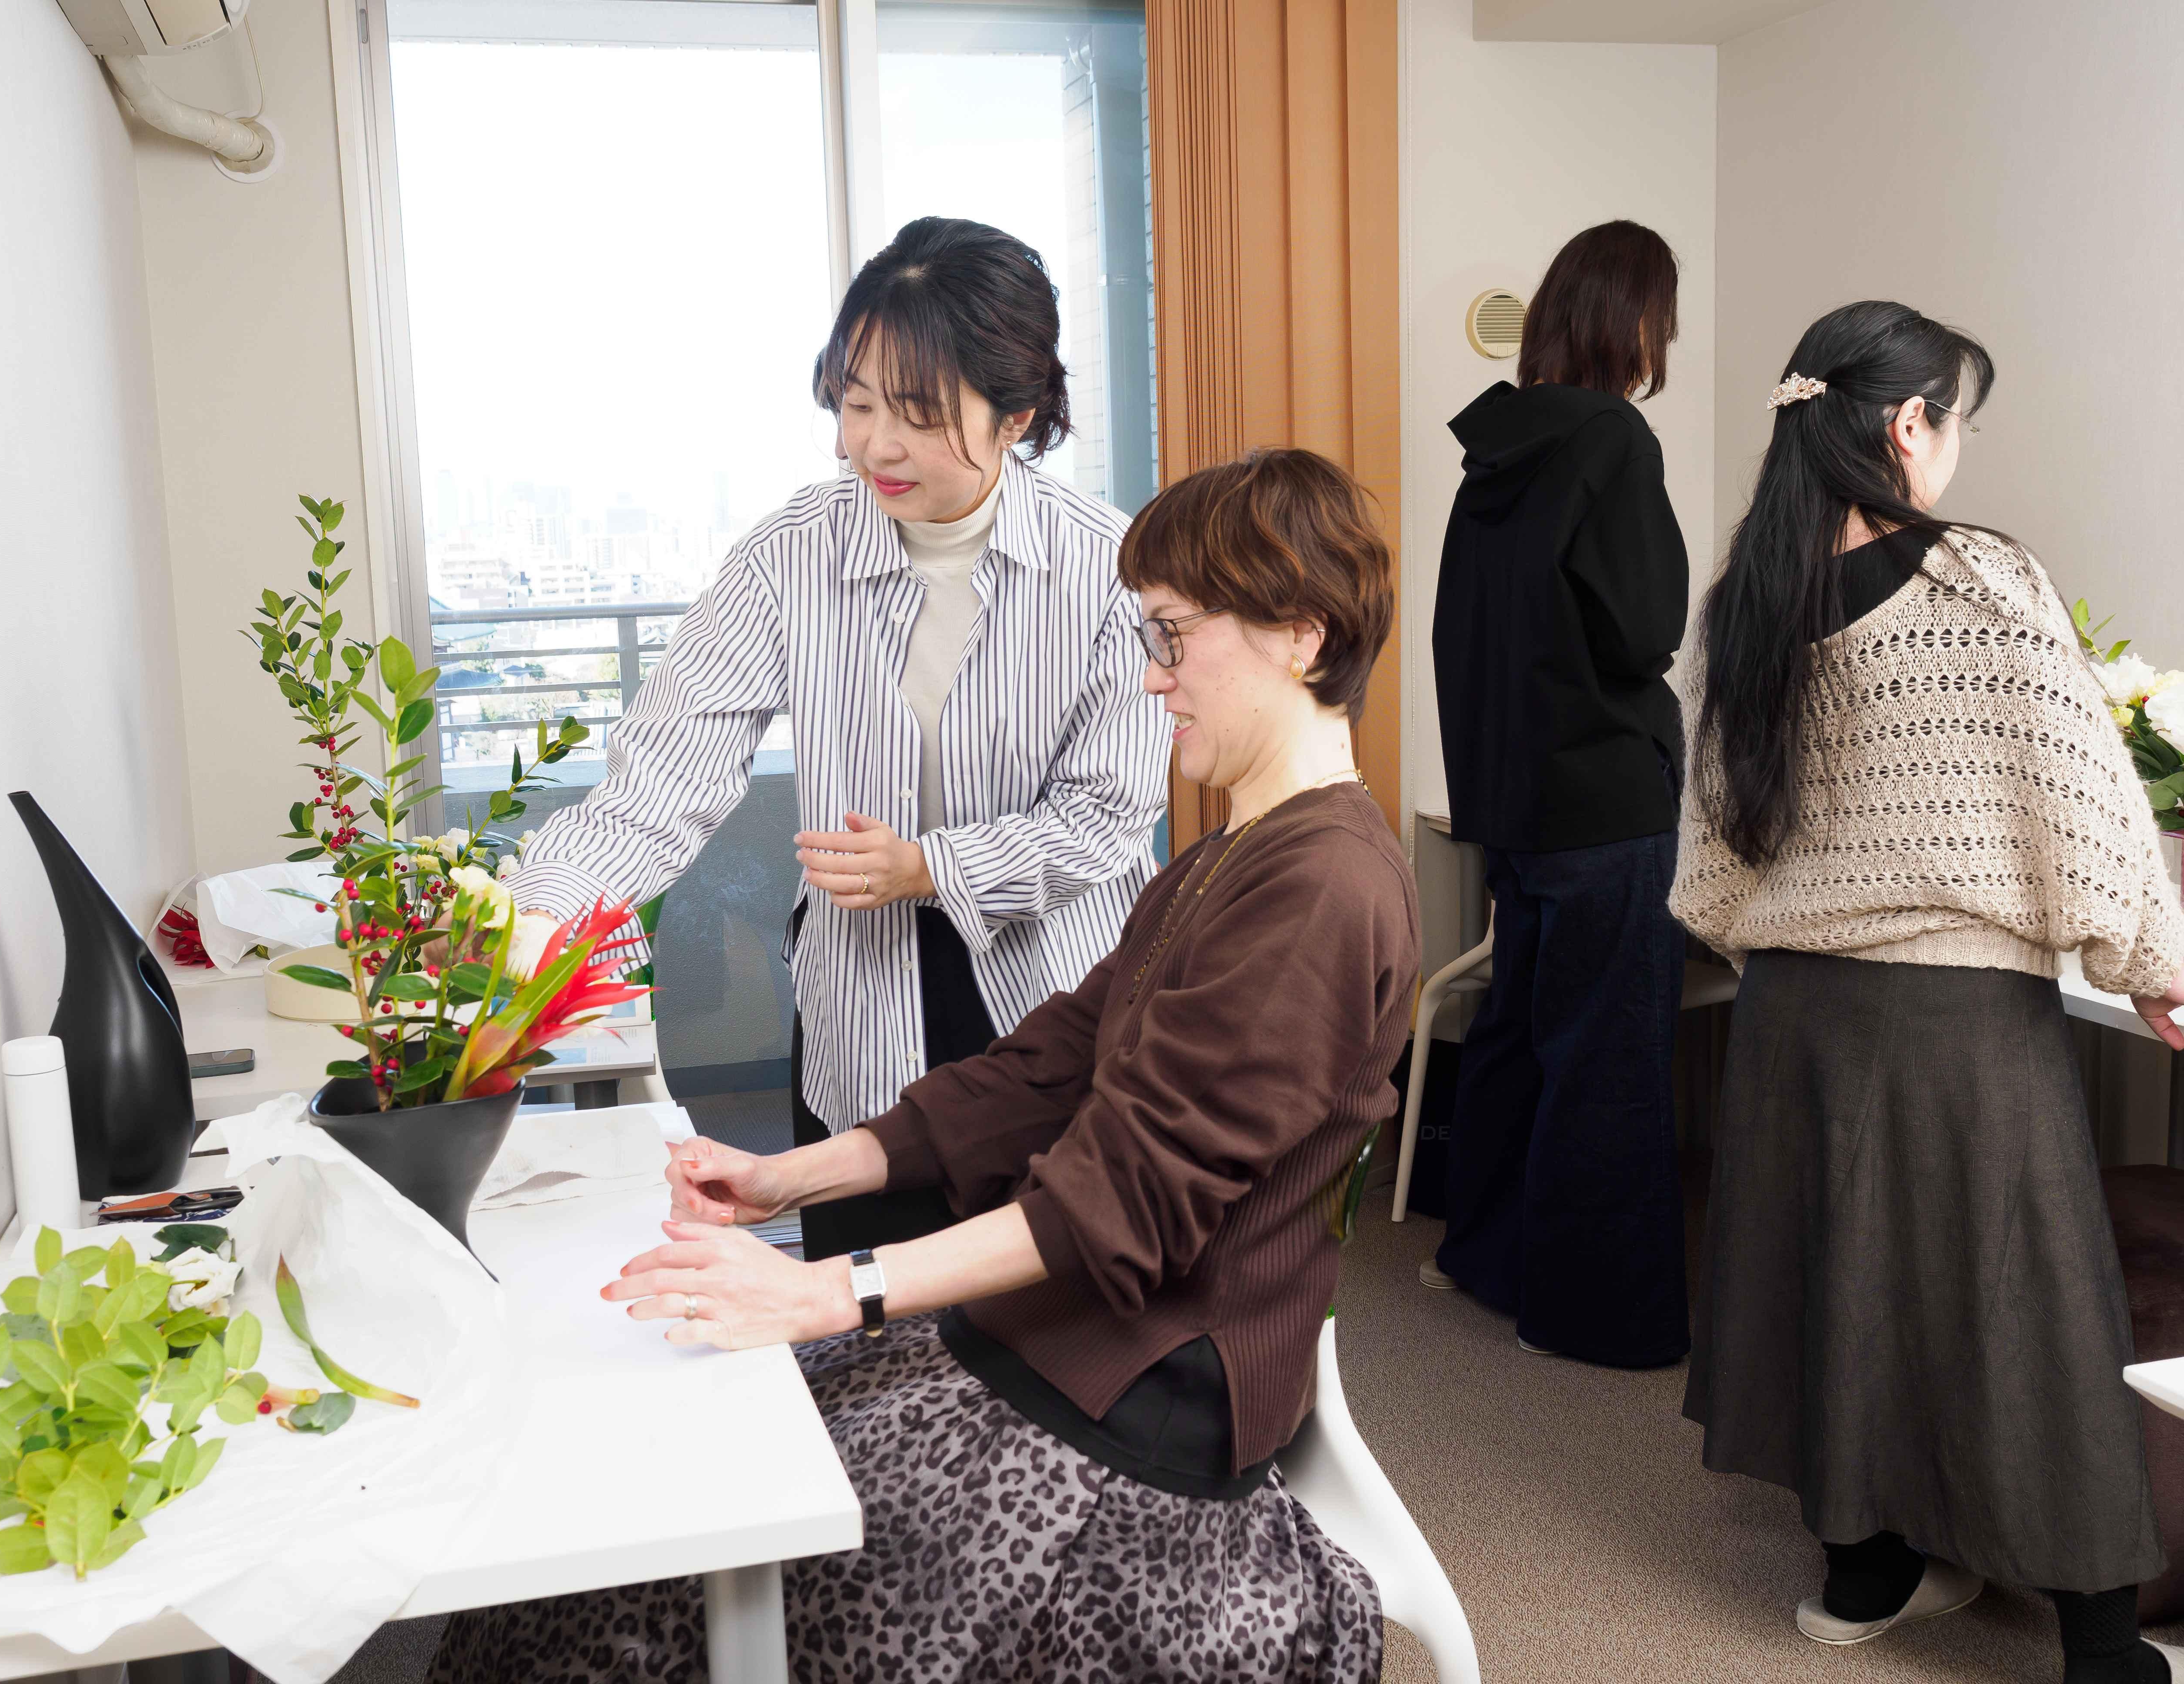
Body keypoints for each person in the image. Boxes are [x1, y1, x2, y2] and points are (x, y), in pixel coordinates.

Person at [424, 448, 1417, 1684]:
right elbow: (1048, 1064)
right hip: (1056, 1346)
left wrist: (832, 1292)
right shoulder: (1237, 856)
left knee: (635, 1589)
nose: (1155, 679)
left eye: (1173, 638)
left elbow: (1122, 1205)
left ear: (1303, 639)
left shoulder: (1320, 888)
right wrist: (799, 1182)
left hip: (1123, 1421)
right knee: (641, 1512)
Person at [1675, 299, 2184, 1684]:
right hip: (1957, 1021)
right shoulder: (1977, 584)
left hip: (1792, 1013)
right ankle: (2101, 1650)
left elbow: (1716, 842)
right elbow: (2082, 799)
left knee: (1841, 1280)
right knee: (2030, 1308)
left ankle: (1865, 1574)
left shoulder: (1745, 603)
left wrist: (1783, 936)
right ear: (1908, 424)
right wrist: (2156, 965)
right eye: (1955, 419)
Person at [505, 217, 1169, 1260]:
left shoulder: (1108, 566)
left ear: (1018, 417)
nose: (877, 445)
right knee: (864, 1311)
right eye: (858, 404)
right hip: (865, 1002)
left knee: (1044, 1313)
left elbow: (1109, 817)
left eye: (919, 413)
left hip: (1057, 997)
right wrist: (540, 918)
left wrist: (928, 867)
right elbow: (665, 776)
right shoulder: (792, 554)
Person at [1426, 219, 1692, 1368]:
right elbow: (1647, 628)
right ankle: (1596, 1315)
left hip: (1514, 805)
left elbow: (1463, 639)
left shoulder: (1495, 455)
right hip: (1603, 799)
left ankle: (1488, 1258)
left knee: (1521, 1030)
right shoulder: (1615, 442)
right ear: (1632, 321)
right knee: (1611, 1056)